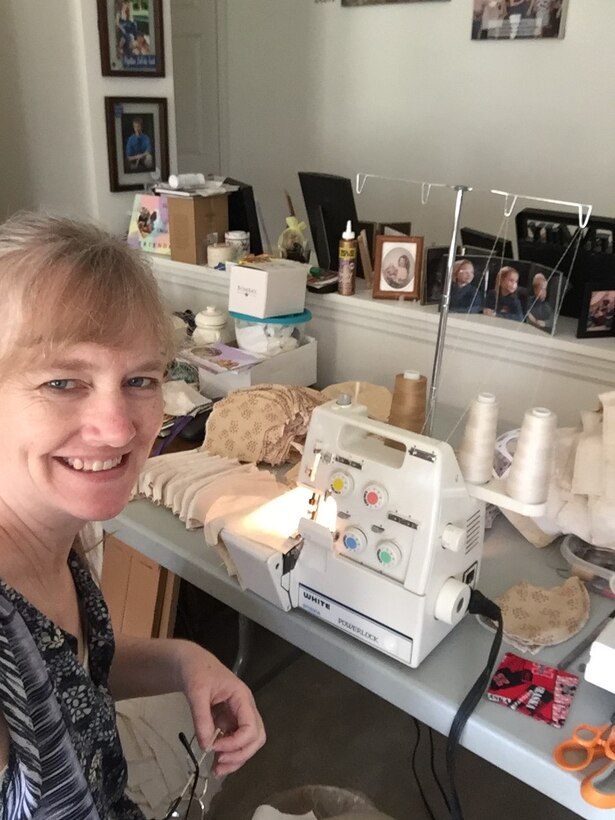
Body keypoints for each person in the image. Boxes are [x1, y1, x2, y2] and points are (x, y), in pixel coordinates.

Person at [0, 212, 265, 817]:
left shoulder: (53, 531)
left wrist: (184, 659)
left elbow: (70, 676)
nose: (119, 429)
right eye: (63, 382)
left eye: (140, 379)